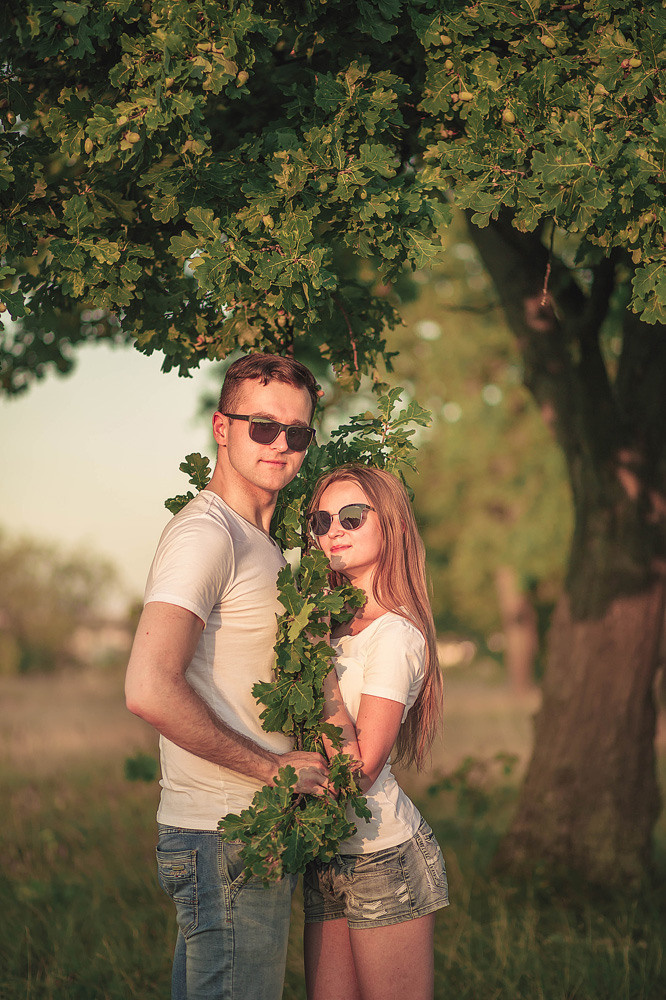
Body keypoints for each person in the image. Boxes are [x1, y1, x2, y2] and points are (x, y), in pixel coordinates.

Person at [125, 353, 331, 1000]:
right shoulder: (206, 534)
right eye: (262, 426)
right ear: (221, 427)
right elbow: (149, 688)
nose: (281, 445)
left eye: (297, 433)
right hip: (224, 837)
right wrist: (273, 770)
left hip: (244, 835)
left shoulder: (261, 544)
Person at [302, 464, 448, 1000]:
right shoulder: (333, 623)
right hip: (326, 851)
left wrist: (316, 665)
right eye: (321, 520)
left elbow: (358, 772)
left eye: (352, 517)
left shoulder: (394, 634)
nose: (333, 530)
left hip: (385, 853)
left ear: (390, 525)